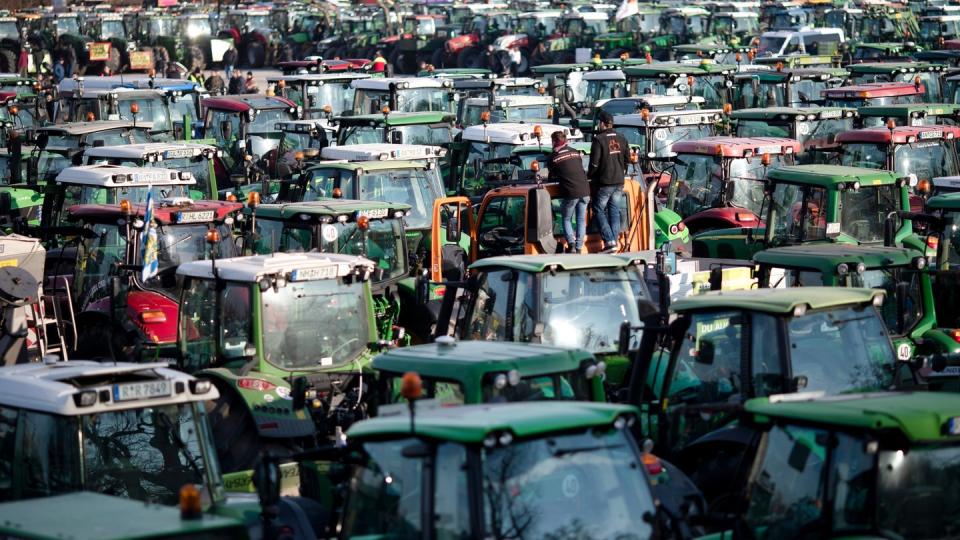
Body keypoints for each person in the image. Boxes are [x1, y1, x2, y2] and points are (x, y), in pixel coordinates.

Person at [588, 110, 629, 253]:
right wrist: (621, 172)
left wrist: (590, 176)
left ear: (602, 124)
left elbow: (594, 164)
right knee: (614, 211)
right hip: (619, 181)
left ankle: (609, 241)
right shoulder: (622, 138)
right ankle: (615, 242)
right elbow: (626, 160)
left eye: (599, 122)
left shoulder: (598, 139)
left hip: (605, 182)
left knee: (598, 209)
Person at [549, 130, 590, 253]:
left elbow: (552, 176)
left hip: (570, 192)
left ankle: (571, 244)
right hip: (585, 190)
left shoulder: (553, 157)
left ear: (555, 142)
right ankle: (578, 248)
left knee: (566, 219)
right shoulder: (575, 152)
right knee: (581, 220)